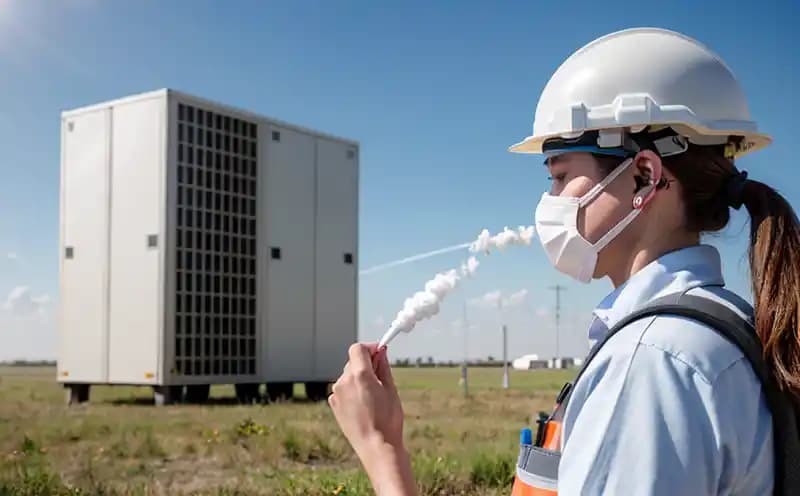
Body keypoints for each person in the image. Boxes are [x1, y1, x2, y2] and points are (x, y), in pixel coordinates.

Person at [327, 27, 800, 495]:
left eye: (559, 177)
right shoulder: (721, 329)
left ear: (643, 177)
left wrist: (382, 449)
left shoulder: (651, 363)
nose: (549, 201)